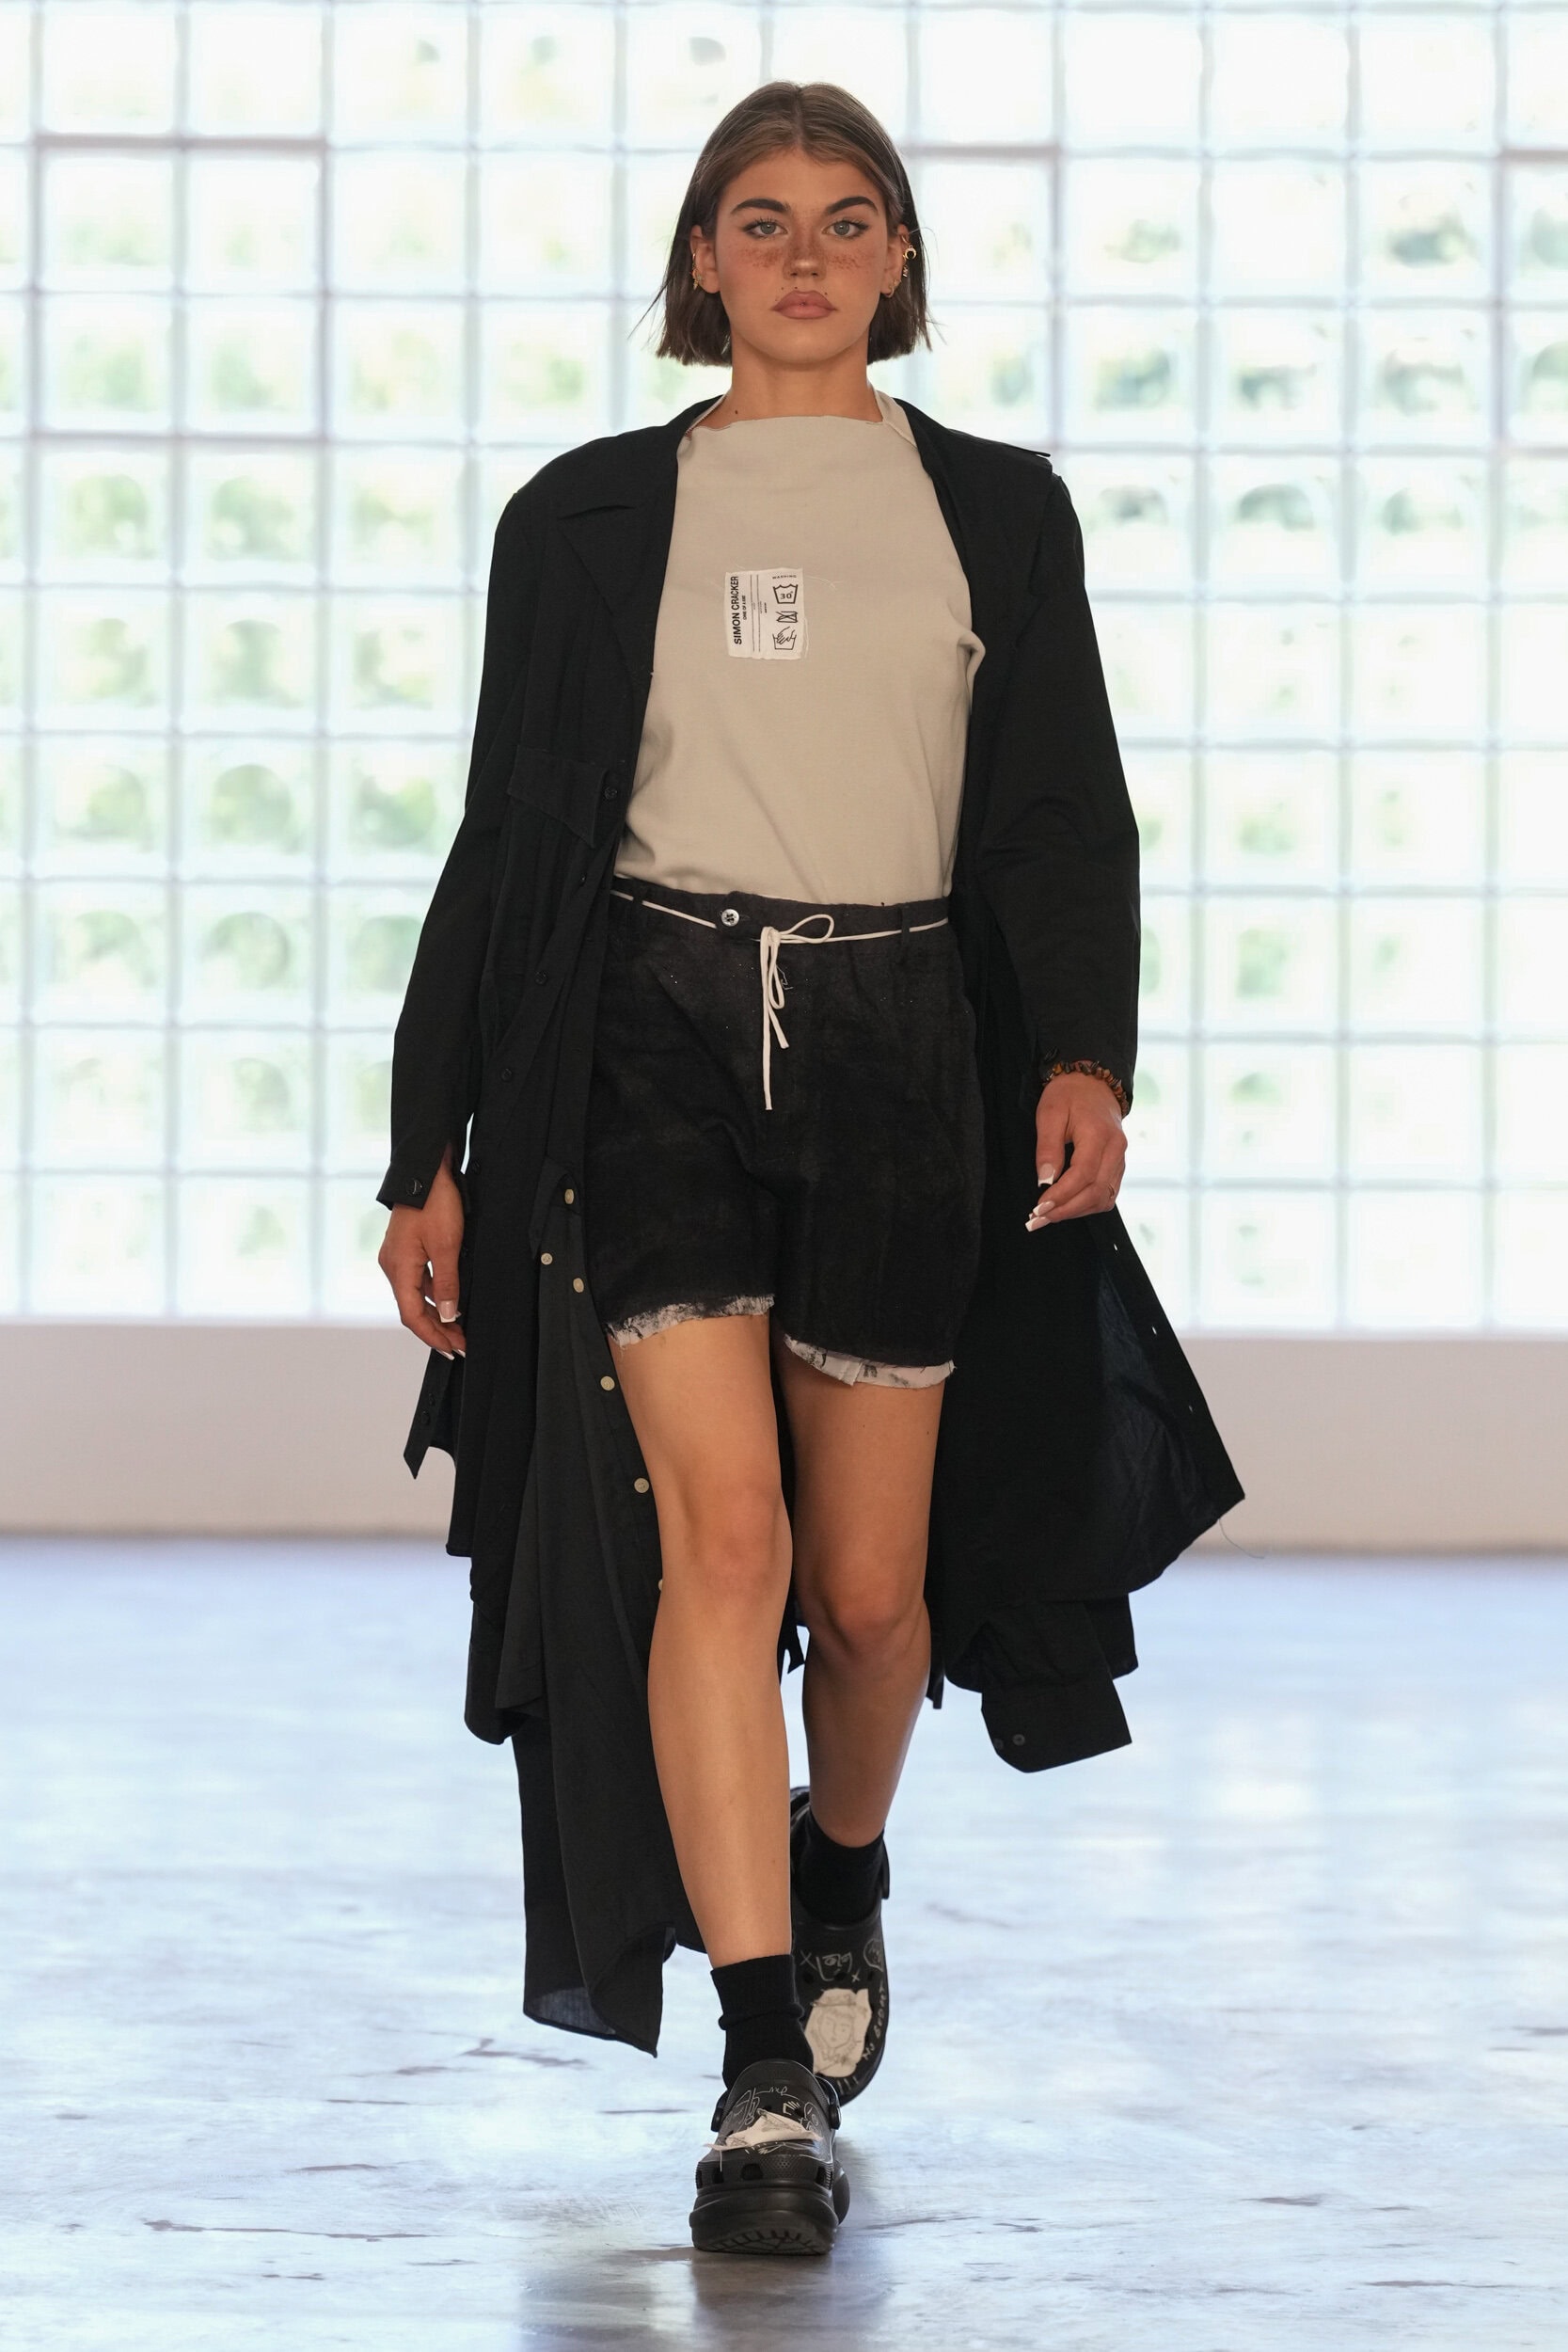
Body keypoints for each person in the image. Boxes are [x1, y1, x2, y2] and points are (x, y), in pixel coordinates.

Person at [376, 82, 1242, 2258]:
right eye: (759, 221)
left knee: (867, 1597)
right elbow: (511, 838)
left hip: (898, 1040)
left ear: (898, 262)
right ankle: (762, 2066)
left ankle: (839, 1864)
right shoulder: (587, 516)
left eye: (848, 221)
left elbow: (1062, 809)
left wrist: (1086, 1051)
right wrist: (425, 1146)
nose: (803, 256)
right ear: (701, 260)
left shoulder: (995, 511)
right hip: (649, 1031)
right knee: (724, 1542)